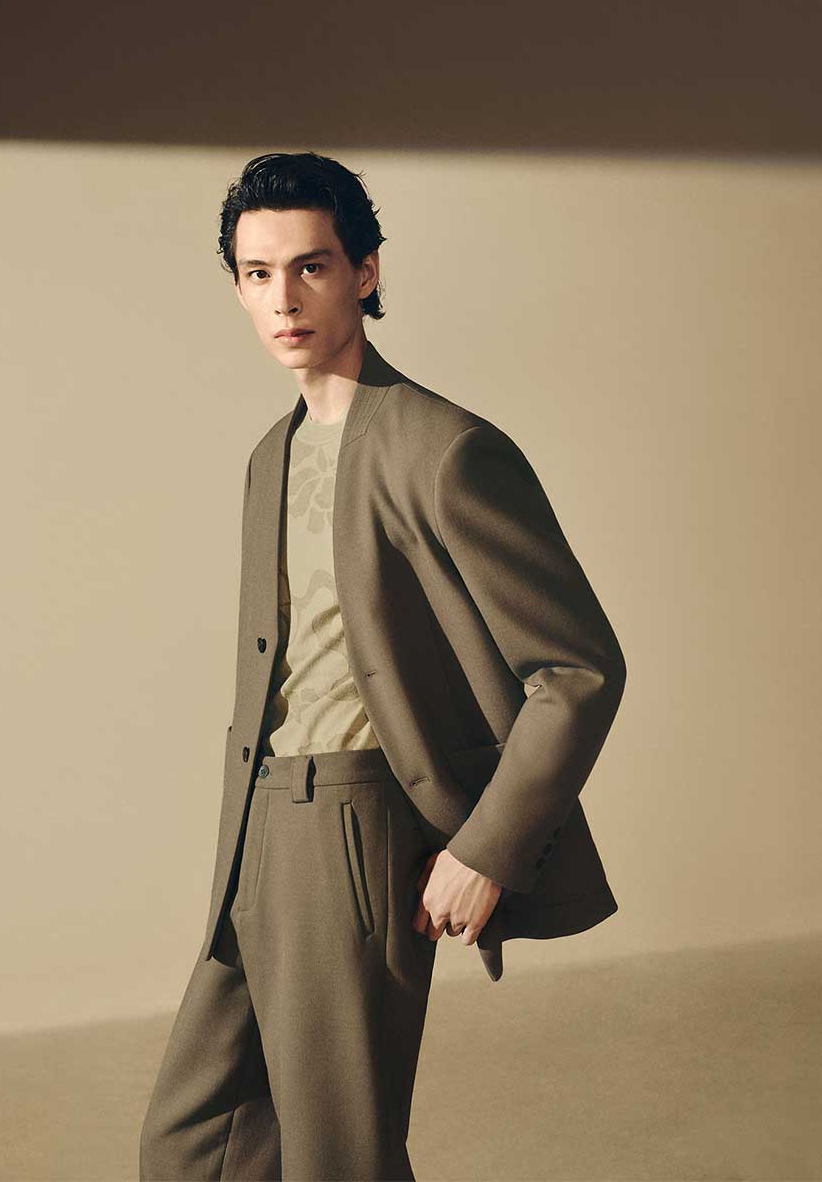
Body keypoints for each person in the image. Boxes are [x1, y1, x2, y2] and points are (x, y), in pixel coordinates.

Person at [139, 151, 627, 1181]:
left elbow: (577, 669)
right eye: (258, 274)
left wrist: (487, 848)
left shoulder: (444, 450)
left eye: (310, 267)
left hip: (355, 830)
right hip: (256, 825)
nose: (284, 299)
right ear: (238, 288)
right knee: (196, 1145)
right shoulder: (270, 455)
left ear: (364, 272)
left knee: (338, 1152)